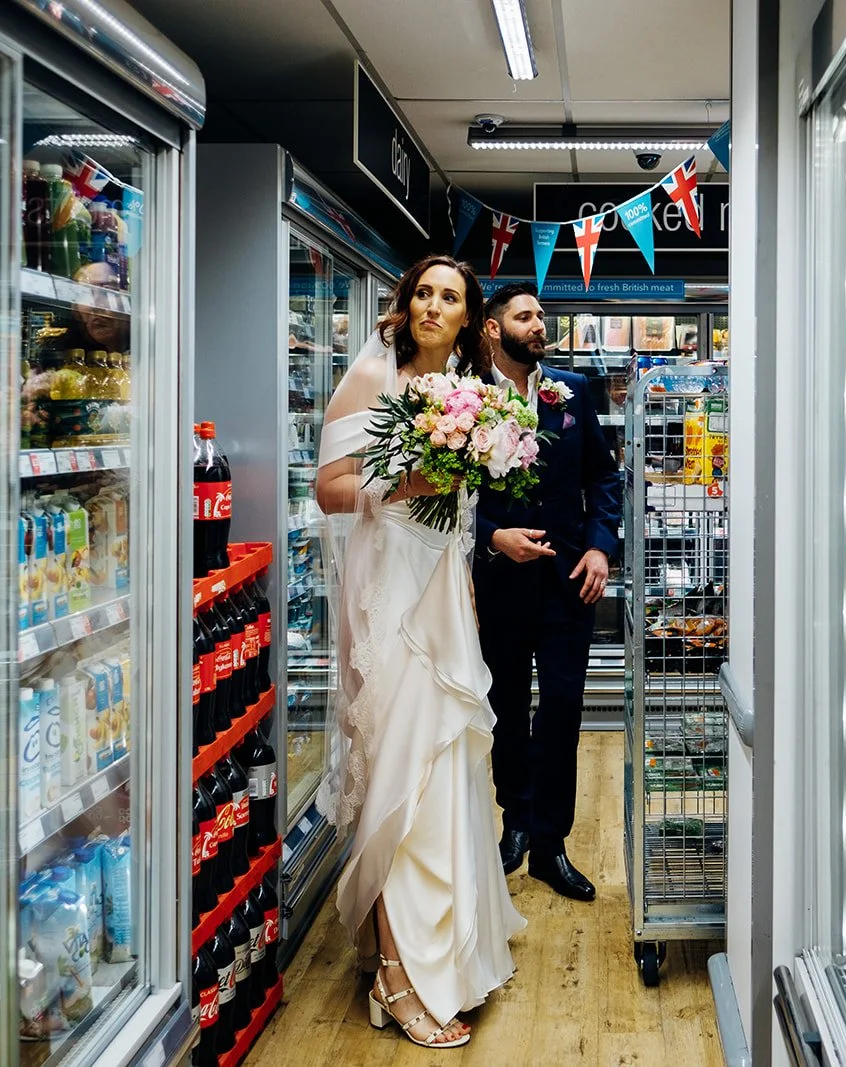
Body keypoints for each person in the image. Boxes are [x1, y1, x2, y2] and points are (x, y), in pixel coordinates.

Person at [315, 254, 525, 1049]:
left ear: (471, 317)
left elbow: (463, 510)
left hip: (441, 595)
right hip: (386, 599)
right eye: (424, 293)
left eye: (451, 297)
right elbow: (328, 485)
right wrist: (397, 490)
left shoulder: (476, 398)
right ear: (405, 306)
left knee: (444, 776)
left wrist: (465, 573)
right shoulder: (373, 379)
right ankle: (397, 978)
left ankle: (446, 951)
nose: (435, 306)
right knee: (398, 775)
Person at [474, 283, 622, 902]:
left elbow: (603, 476)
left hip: (569, 585)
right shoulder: (463, 401)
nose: (539, 325)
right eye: (525, 316)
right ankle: (515, 824)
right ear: (492, 328)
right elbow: (441, 502)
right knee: (506, 709)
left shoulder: (573, 391)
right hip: (499, 584)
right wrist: (492, 536)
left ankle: (551, 845)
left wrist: (599, 545)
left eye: (542, 316)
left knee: (562, 711)